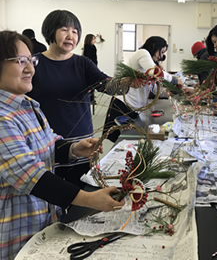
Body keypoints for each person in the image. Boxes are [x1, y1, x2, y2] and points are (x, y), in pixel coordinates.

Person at [0, 30, 124, 259]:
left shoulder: (28, 105)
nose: (30, 69)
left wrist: (74, 149)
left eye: (30, 60)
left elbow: (48, 145)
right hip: (18, 236)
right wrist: (89, 199)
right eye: (20, 61)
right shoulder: (2, 118)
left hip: (45, 223)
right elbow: (31, 175)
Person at [26, 10, 117, 187]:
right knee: (51, 194)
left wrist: (128, 82)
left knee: (81, 195)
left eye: (75, 31)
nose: (70, 36)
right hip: (47, 144)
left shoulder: (82, 63)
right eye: (64, 29)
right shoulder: (33, 64)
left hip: (83, 143)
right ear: (50, 31)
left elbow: (107, 85)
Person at [103, 36, 183, 142]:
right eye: (161, 52)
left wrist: (173, 91)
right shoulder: (142, 53)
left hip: (135, 108)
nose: (161, 56)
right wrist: (175, 81)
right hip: (124, 105)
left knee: (128, 139)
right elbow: (156, 73)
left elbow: (154, 89)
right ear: (155, 46)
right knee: (121, 140)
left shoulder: (148, 65)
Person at [83, 33, 98, 104]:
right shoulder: (87, 47)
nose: (94, 40)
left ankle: (92, 96)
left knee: (93, 83)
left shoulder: (93, 47)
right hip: (89, 68)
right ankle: (90, 98)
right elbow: (89, 58)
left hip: (93, 66)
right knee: (90, 84)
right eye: (93, 39)